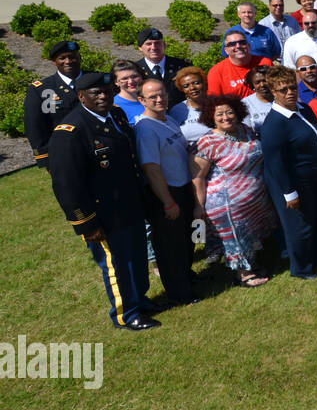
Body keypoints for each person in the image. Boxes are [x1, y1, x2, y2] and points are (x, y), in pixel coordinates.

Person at [48, 73, 158, 329]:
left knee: (137, 256)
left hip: (129, 203)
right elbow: (66, 184)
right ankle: (126, 314)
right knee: (116, 264)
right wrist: (86, 223)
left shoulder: (116, 116)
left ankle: (140, 300)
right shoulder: (70, 133)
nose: (103, 97)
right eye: (96, 93)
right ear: (80, 96)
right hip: (103, 213)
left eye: (107, 91)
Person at [192, 93, 276, 287]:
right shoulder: (208, 142)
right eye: (219, 114)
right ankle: (244, 275)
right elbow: (197, 176)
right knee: (236, 239)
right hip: (227, 203)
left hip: (253, 198)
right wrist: (198, 205)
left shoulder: (245, 130)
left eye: (229, 112)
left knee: (249, 236)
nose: (225, 117)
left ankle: (251, 265)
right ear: (210, 117)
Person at [260, 65, 317, 280]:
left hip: (312, 177)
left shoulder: (302, 109)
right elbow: (274, 162)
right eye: (283, 90)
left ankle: (314, 258)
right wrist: (289, 193)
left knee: (314, 219)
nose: (289, 92)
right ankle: (301, 269)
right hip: (291, 183)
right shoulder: (274, 124)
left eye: (292, 87)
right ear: (273, 92)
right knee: (299, 226)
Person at [135, 78, 197, 305]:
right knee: (170, 247)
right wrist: (168, 202)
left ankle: (186, 277)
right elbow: (151, 168)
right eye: (153, 97)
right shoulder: (145, 129)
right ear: (141, 100)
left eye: (162, 94)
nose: (159, 99)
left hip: (182, 187)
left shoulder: (168, 118)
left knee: (184, 240)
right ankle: (180, 294)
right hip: (166, 193)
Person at [24, 39, 83, 169]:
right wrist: (46, 160)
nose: (68, 61)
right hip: (64, 156)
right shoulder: (42, 90)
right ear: (54, 62)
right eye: (62, 58)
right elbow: (35, 127)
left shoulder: (97, 80)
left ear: (79, 58)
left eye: (72, 57)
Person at [208, 30, 272, 98]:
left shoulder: (265, 62)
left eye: (242, 42)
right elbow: (214, 101)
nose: (238, 46)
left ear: (249, 46)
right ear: (226, 50)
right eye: (232, 44)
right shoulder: (216, 72)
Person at [134, 27, 186, 105]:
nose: (154, 47)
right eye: (148, 44)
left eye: (157, 43)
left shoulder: (181, 66)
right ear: (140, 48)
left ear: (164, 45)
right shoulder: (135, 69)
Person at [168, 66, 211, 148]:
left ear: (205, 83)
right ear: (182, 90)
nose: (192, 88)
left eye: (196, 83)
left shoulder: (218, 105)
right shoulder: (176, 110)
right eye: (186, 86)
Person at [281, 8, 317, 73]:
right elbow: (289, 68)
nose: (310, 25)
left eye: (313, 23)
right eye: (307, 23)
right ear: (303, 24)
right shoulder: (292, 42)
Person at [111, 59, 146, 124]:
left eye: (134, 76)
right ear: (116, 82)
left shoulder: (153, 98)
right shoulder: (113, 106)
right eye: (124, 79)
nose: (131, 81)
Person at [242, 66, 275, 133]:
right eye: (257, 82)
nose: (262, 85)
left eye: (265, 80)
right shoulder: (246, 103)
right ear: (252, 84)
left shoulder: (282, 98)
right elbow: (247, 131)